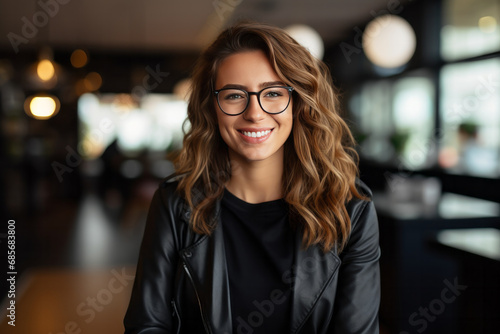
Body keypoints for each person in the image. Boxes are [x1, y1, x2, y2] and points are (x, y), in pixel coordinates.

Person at [124, 22, 380, 334]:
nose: (255, 113)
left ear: (298, 103)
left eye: (272, 93)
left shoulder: (351, 210)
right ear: (212, 107)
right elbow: (146, 326)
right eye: (234, 95)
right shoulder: (176, 203)